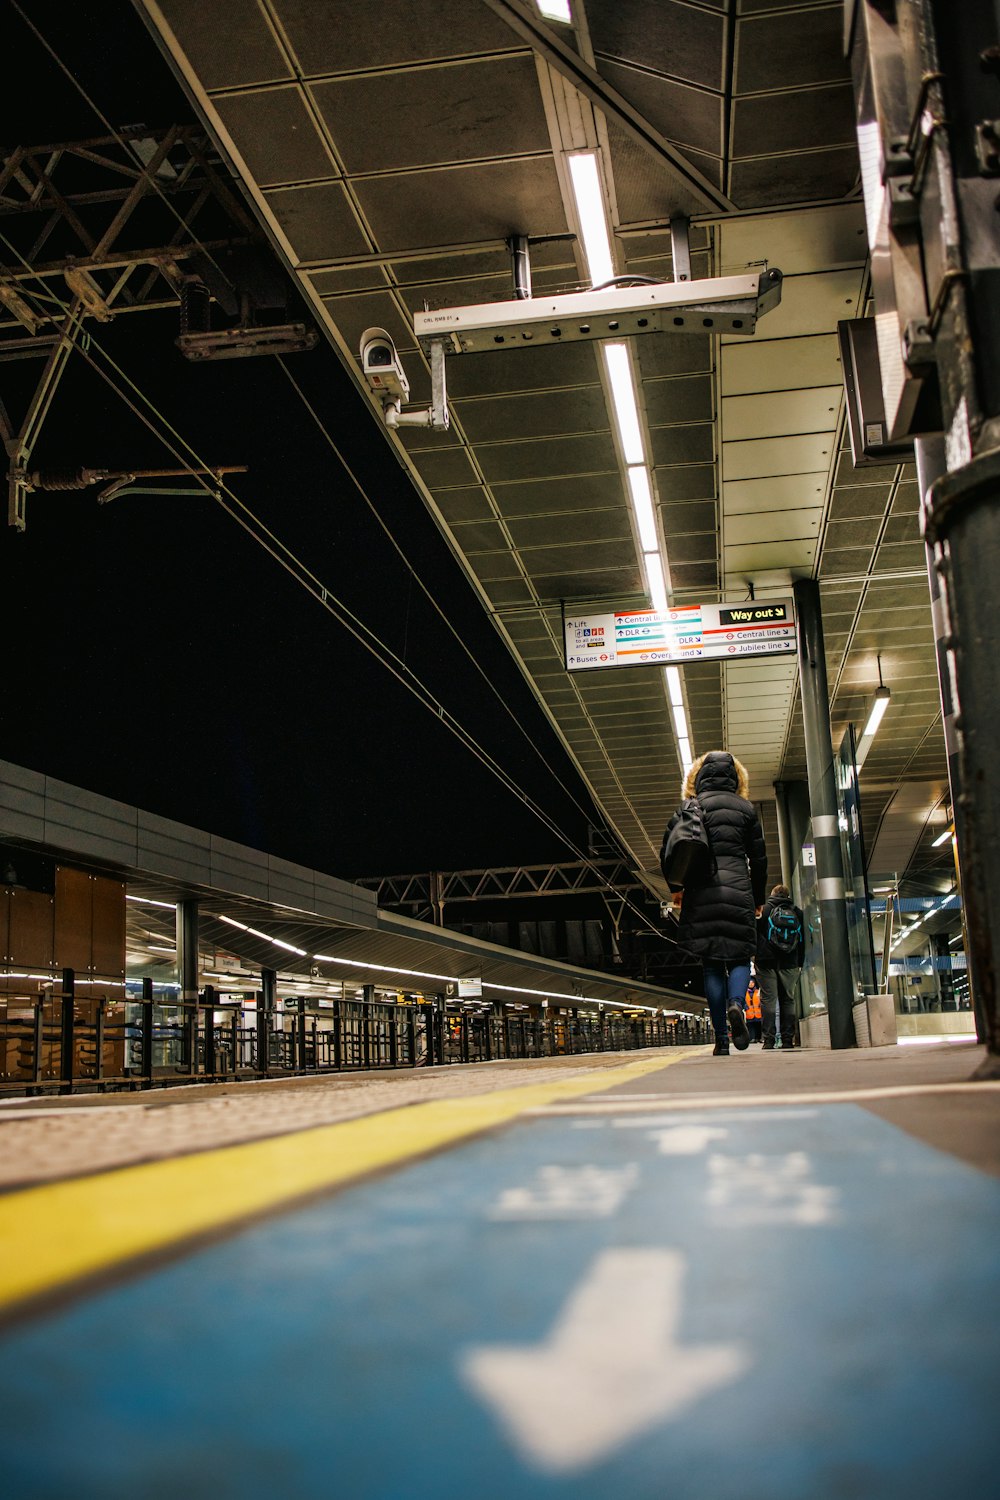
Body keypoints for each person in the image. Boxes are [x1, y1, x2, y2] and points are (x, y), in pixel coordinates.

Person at [666, 750, 767, 1056]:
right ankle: (738, 1003)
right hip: (738, 891)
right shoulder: (746, 810)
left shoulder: (691, 806)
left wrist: (676, 889)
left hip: (701, 892)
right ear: (737, 777)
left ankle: (721, 1039)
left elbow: (671, 850)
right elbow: (759, 859)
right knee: (739, 959)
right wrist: (758, 899)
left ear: (697, 777)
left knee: (711, 966)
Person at [755, 883, 805, 1050]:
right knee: (788, 1000)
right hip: (790, 962)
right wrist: (800, 962)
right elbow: (802, 941)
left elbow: (753, 935)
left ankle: (769, 1040)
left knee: (768, 1001)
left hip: (766, 962)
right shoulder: (797, 912)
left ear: (772, 894)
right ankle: (787, 1040)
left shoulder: (763, 911)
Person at [744, 974, 763, 1042]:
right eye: (749, 982)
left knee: (758, 1026)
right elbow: (744, 1001)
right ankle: (752, 1038)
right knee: (751, 1026)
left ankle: (759, 1038)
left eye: (752, 982)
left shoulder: (758, 992)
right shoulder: (745, 993)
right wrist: (745, 1007)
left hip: (758, 1013)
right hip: (749, 1013)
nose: (751, 984)